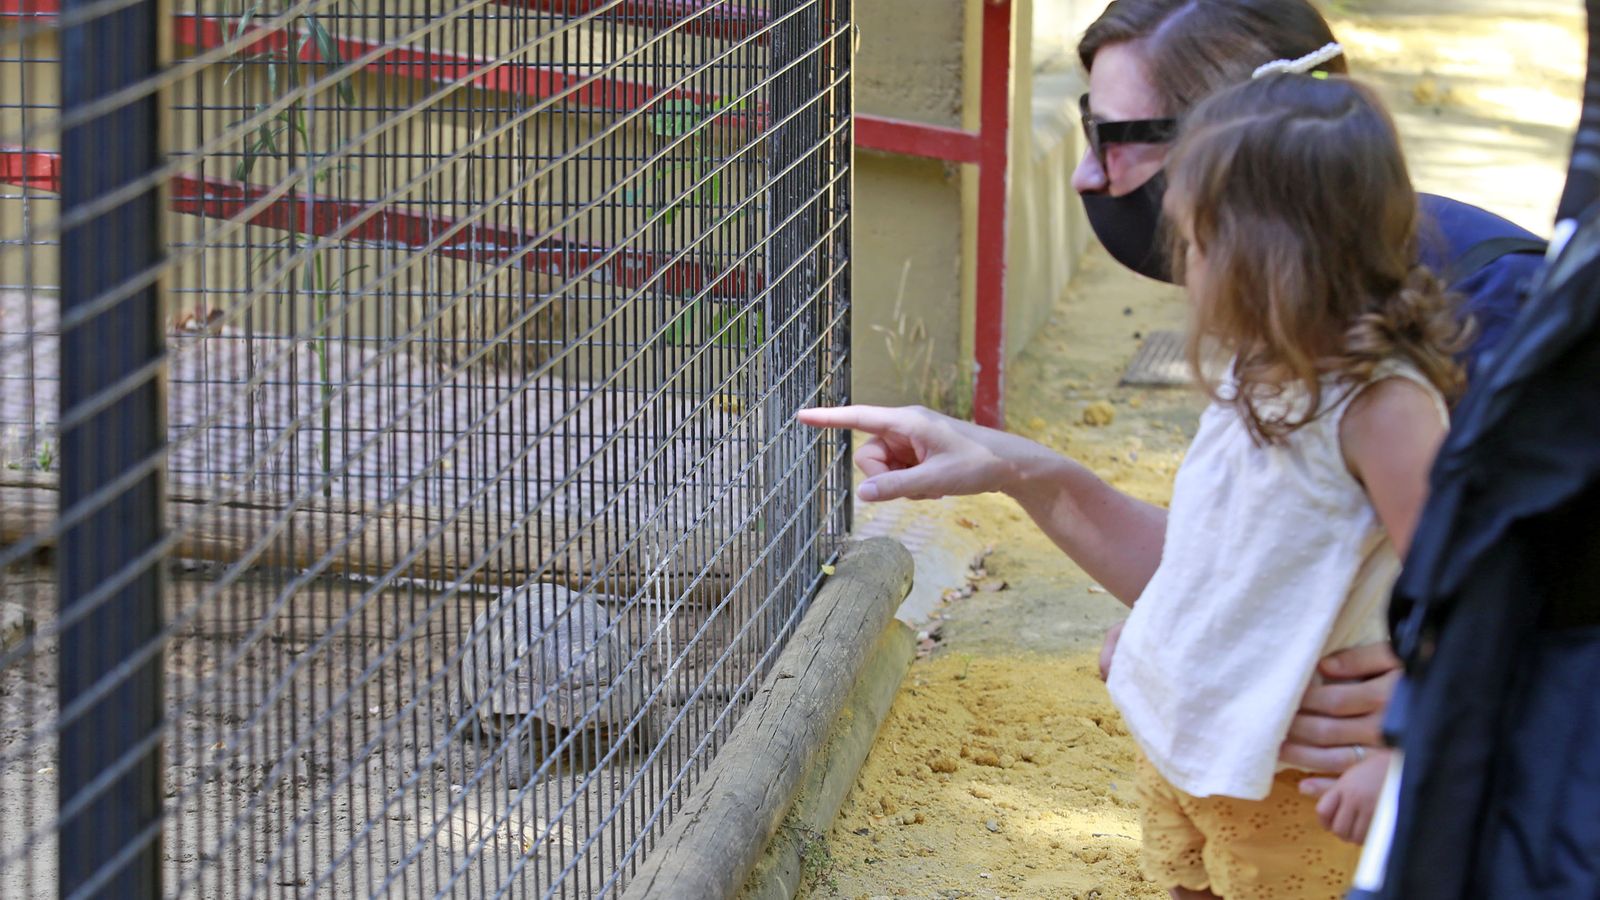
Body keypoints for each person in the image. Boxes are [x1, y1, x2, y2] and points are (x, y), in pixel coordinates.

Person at [807, 70, 1463, 898]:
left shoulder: (1384, 405)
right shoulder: (1262, 368)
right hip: (1192, 756)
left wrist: (1405, 753)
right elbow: (1225, 554)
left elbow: (1462, 588)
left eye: (1200, 241)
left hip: (1303, 788)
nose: (1185, 268)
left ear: (1275, 252)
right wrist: (1162, 641)